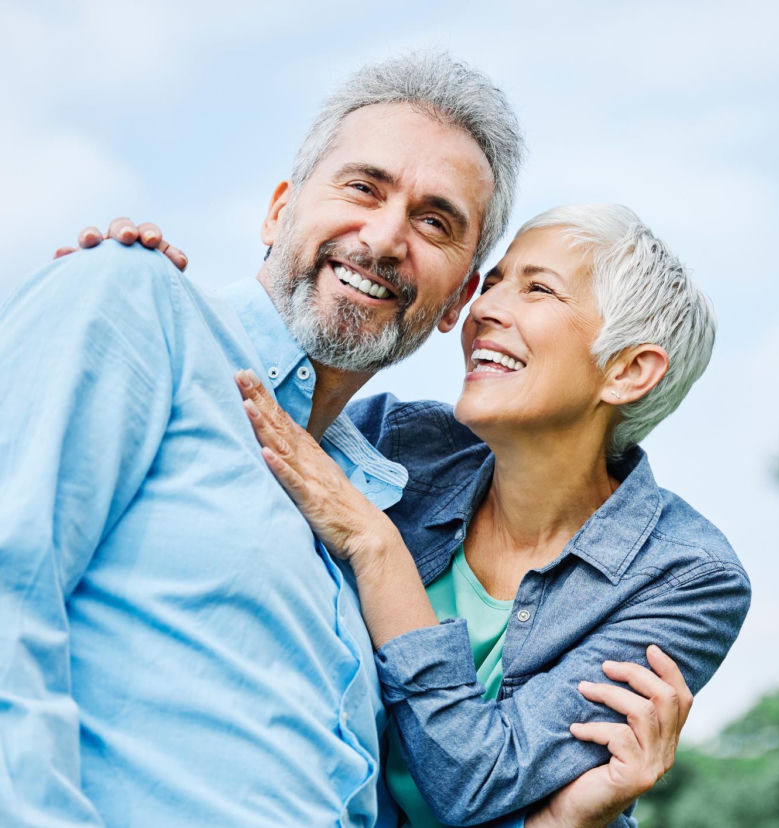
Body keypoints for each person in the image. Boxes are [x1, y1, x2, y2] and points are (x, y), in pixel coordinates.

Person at [3, 52, 681, 827]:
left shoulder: (383, 521)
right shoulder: (135, 301)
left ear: (458, 300)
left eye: (435, 222)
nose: (386, 238)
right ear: (277, 213)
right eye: (363, 187)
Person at [228, 203, 751, 826]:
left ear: (628, 371)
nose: (484, 309)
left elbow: (475, 782)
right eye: (494, 281)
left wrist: (377, 546)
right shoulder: (395, 441)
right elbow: (224, 413)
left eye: (538, 289)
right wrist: (144, 290)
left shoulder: (686, 577)